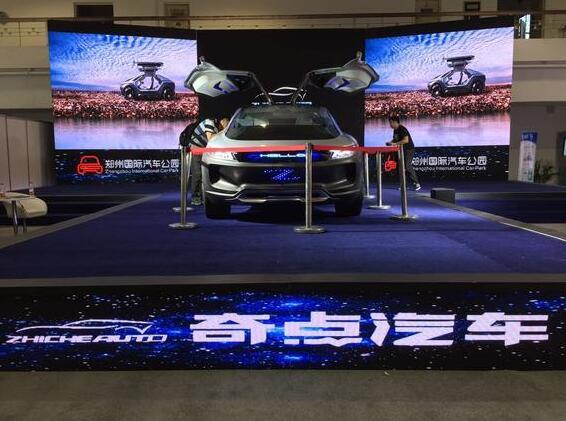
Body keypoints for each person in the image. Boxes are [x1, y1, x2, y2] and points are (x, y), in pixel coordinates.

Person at [185, 116, 230, 205]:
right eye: (227, 123)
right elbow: (210, 138)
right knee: (197, 174)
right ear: (222, 120)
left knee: (207, 174)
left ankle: (206, 197)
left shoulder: (217, 129)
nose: (227, 126)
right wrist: (223, 133)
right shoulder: (209, 122)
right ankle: (195, 197)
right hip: (197, 149)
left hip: (206, 150)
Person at [386, 115, 421, 191]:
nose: (390, 124)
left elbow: (406, 140)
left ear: (395, 122)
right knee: (400, 167)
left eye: (391, 122)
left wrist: (395, 144)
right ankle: (404, 185)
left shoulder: (402, 129)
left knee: (407, 166)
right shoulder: (395, 130)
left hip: (409, 150)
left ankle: (417, 183)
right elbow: (395, 139)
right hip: (401, 150)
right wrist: (390, 142)